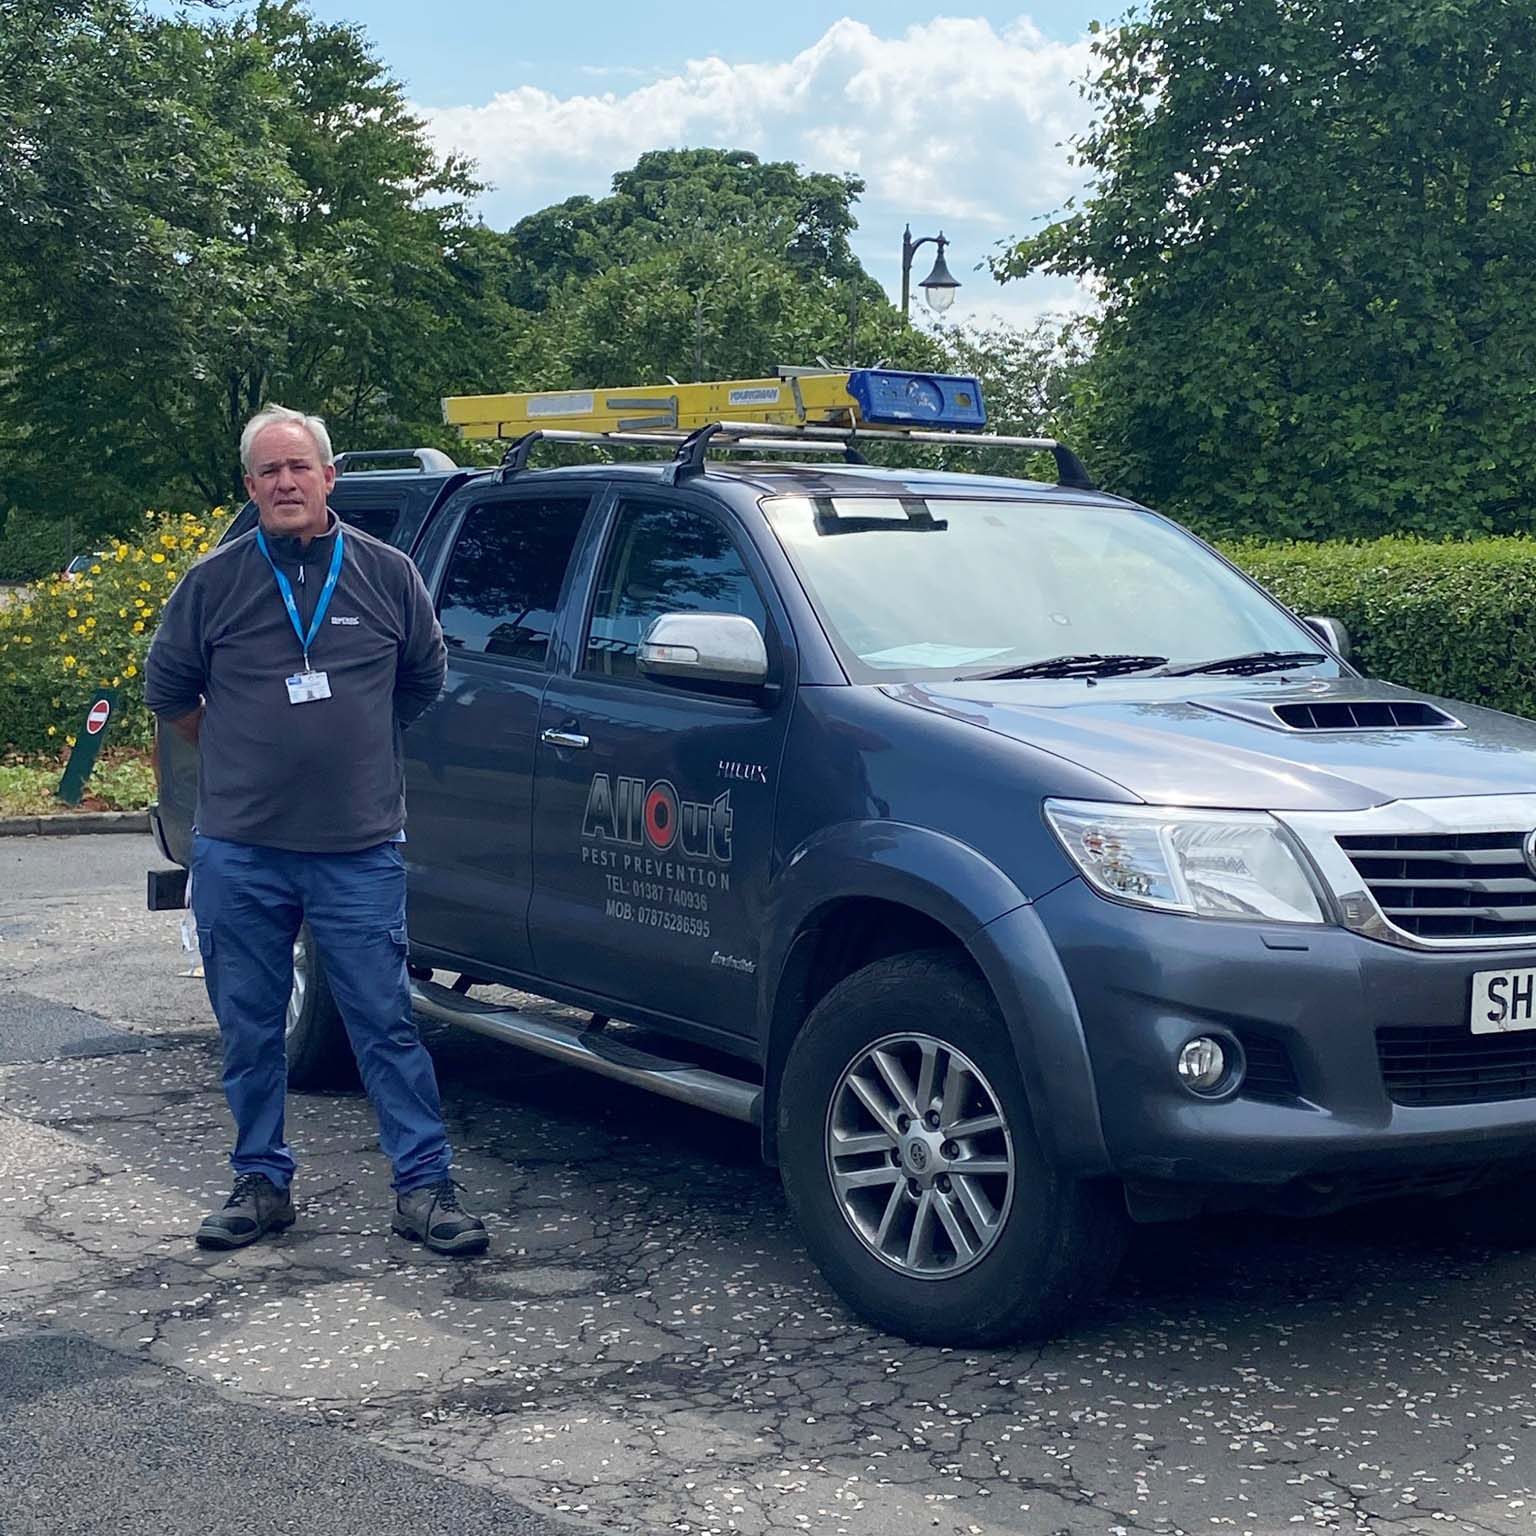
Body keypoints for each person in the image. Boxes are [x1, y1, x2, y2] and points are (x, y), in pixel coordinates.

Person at [144, 403, 487, 1257]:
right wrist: (242, 756)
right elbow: (171, 695)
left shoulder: (385, 573)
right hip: (241, 848)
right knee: (251, 1028)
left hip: (356, 850)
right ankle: (261, 1183)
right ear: (251, 486)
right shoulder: (213, 583)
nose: (286, 483)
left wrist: (352, 746)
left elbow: (420, 680)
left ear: (330, 478)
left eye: (300, 467)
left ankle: (423, 1189)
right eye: (269, 471)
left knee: (386, 1023)